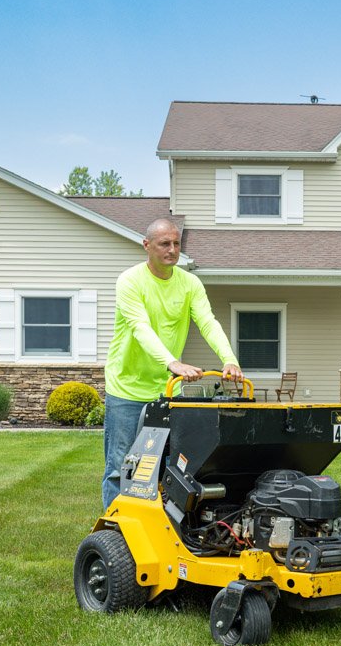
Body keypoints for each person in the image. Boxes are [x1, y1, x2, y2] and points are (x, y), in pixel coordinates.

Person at [101, 218, 242, 509]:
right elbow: (140, 328)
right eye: (165, 243)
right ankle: (115, 529)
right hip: (126, 388)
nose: (172, 250)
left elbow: (208, 322)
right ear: (147, 245)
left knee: (170, 468)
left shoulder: (190, 283)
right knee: (121, 467)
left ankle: (162, 525)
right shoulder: (130, 281)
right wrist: (171, 362)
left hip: (167, 391)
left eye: (176, 243)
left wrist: (229, 358)